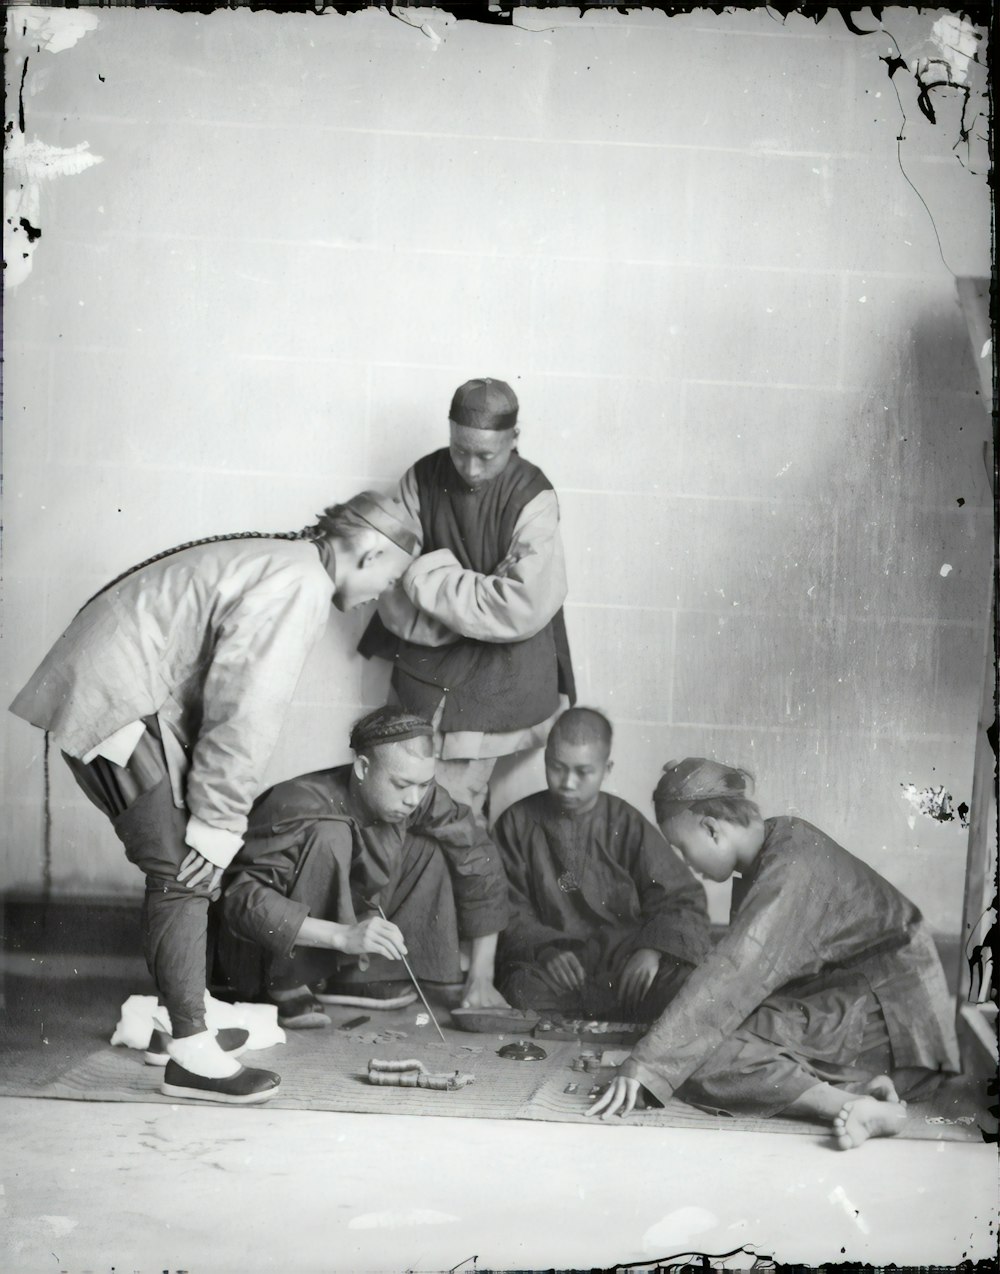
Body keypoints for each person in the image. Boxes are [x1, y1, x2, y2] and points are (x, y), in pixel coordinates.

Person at [9, 492, 417, 1104]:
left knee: (183, 866)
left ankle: (175, 1018)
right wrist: (220, 824)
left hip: (113, 691)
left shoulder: (289, 563)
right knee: (183, 870)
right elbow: (243, 710)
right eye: (391, 579)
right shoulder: (299, 585)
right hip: (118, 702)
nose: (383, 596)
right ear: (371, 551)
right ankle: (190, 1055)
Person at [587, 758, 961, 1150]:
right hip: (852, 1008)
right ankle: (865, 1088)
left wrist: (646, 1064)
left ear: (712, 829)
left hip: (894, 1032)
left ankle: (849, 1103)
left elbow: (734, 973)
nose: (686, 863)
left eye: (683, 848)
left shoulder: (790, 867)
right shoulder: (779, 841)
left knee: (703, 1058)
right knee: (692, 1025)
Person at [358, 377, 576, 822]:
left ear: (514, 439)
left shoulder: (534, 496)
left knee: (450, 816)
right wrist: (468, 603)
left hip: (498, 680)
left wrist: (427, 572)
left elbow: (520, 606)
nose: (470, 469)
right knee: (403, 803)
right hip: (423, 677)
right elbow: (384, 572)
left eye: (486, 456)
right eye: (460, 451)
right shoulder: (421, 477)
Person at [216, 706, 511, 1028]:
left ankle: (359, 976)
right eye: (401, 785)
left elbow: (477, 854)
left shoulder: (416, 795)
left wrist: (482, 975)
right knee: (331, 834)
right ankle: (287, 985)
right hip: (258, 956)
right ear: (362, 767)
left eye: (424, 784)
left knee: (438, 846)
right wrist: (342, 936)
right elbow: (241, 901)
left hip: (342, 935)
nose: (414, 799)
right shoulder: (297, 803)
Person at [492, 709, 712, 1020]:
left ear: (606, 769)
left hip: (623, 963)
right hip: (555, 965)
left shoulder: (626, 823)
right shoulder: (516, 823)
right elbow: (504, 907)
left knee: (685, 988)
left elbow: (682, 897)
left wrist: (653, 950)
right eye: (557, 768)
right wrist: (544, 950)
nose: (568, 783)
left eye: (583, 772)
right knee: (521, 990)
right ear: (545, 760)